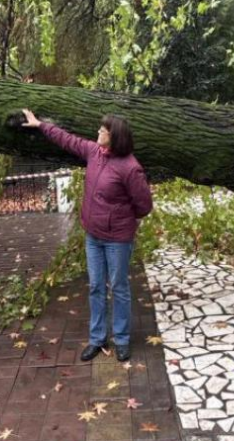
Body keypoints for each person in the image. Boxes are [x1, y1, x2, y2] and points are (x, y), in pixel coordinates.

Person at [21, 109, 153, 362]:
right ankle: (97, 338)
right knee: (95, 286)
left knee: (119, 287)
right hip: (93, 236)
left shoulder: (130, 168)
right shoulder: (94, 152)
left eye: (103, 130)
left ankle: (122, 340)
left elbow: (144, 206)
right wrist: (40, 124)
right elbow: (67, 140)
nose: (98, 132)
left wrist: (120, 218)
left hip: (117, 240)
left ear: (115, 137)